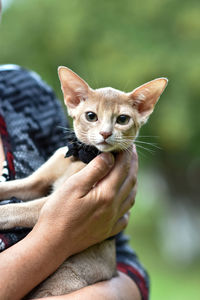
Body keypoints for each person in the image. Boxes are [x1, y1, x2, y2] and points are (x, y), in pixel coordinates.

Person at [0, 4, 149, 299]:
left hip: (82, 275)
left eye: (121, 119)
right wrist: (55, 236)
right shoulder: (67, 154)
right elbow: (61, 212)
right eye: (92, 116)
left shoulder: (27, 95)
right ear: (73, 102)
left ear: (143, 111)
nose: (106, 131)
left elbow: (130, 265)